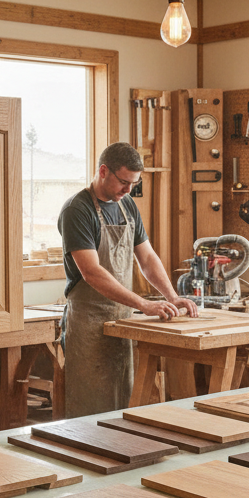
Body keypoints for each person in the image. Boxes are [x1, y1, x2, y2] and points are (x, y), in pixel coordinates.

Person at [59, 143, 197, 417]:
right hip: (88, 321)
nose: (128, 190)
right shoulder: (78, 210)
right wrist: (144, 305)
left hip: (122, 320)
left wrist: (171, 296)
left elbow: (147, 257)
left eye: (133, 184)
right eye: (123, 182)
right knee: (91, 409)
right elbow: (92, 272)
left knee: (123, 402)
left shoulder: (127, 205)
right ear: (103, 171)